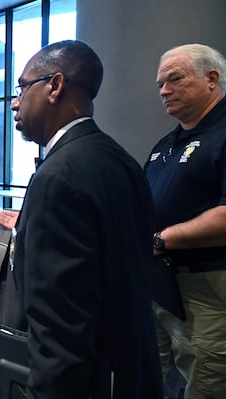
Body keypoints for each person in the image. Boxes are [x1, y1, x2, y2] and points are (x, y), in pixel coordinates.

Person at [0, 40, 163, 398]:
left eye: (22, 87)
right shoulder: (121, 160)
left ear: (55, 86)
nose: (15, 102)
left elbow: (60, 328)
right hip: (127, 368)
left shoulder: (58, 176)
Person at [145, 43, 226, 399]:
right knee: (156, 377)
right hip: (160, 284)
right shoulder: (167, 142)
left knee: (204, 383)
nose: (164, 90)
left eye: (174, 79)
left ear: (211, 79)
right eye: (160, 83)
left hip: (207, 287)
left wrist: (162, 239)